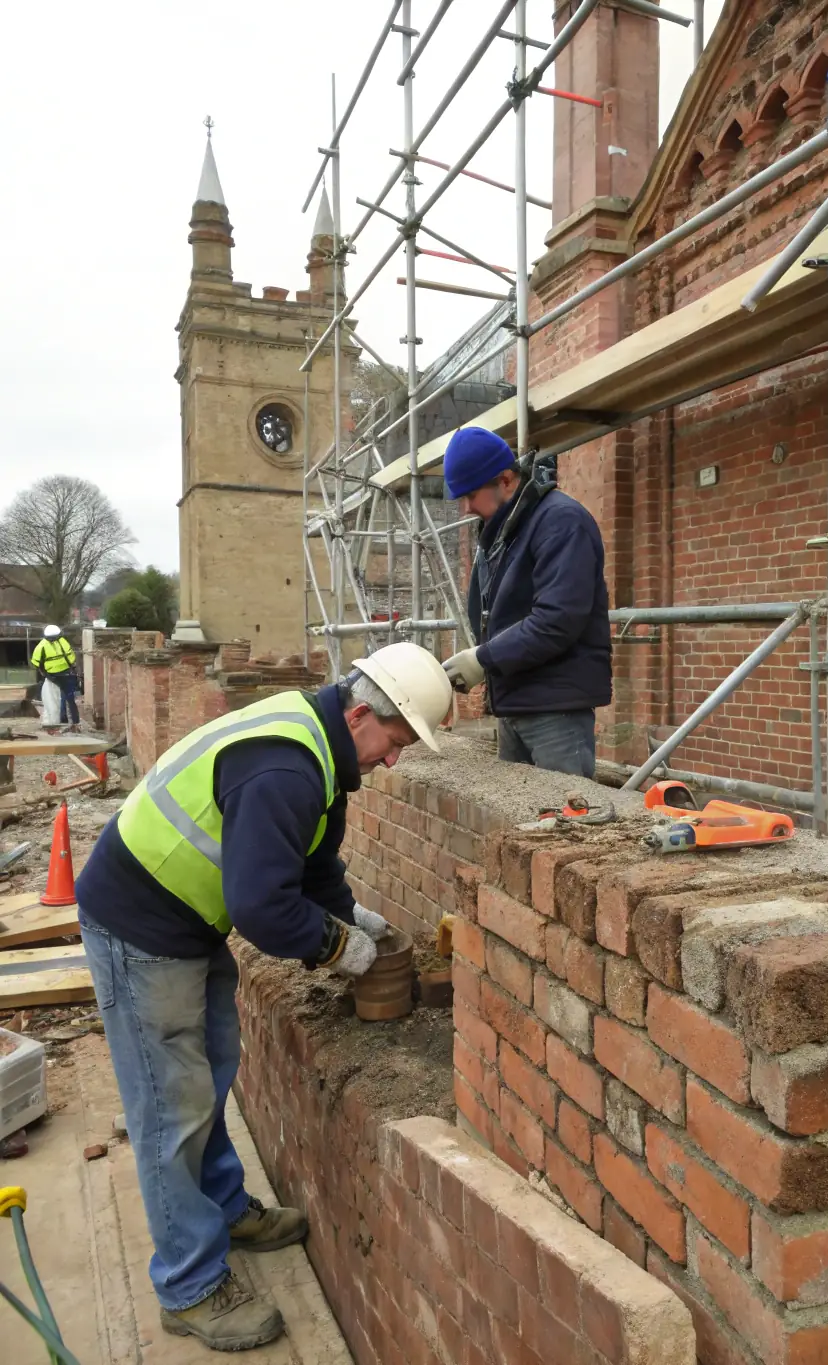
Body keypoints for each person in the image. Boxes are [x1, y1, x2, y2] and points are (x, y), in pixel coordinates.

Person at [75, 643, 451, 1352]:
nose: (394, 760)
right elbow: (262, 909)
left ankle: (219, 1208)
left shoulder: (317, 742)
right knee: (169, 1106)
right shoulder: (287, 767)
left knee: (209, 1071)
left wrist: (349, 914)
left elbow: (310, 862)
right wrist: (342, 949)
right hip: (139, 922)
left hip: (184, 918)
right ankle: (190, 1283)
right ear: (363, 714)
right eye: (396, 742)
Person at [441, 426, 612, 778]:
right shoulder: (506, 528)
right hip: (517, 701)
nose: (466, 507)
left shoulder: (560, 522)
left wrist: (483, 658)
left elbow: (556, 620)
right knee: (522, 825)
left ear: (505, 480)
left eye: (471, 495)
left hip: (556, 711)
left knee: (566, 820)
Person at [31, 624, 80, 729]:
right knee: (69, 698)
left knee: (54, 698)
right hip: (67, 674)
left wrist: (43, 672)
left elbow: (35, 663)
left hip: (52, 676)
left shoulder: (41, 646)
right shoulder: (63, 641)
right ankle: (75, 722)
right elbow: (71, 658)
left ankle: (60, 720)